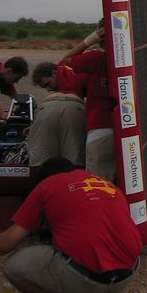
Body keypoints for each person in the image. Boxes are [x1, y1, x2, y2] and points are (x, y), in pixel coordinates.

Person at [0, 157, 142, 293]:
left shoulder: (47, 186)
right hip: (127, 274)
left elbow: (5, 245)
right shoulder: (107, 184)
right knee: (101, 242)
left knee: (13, 267)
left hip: (88, 278)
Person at [63, 25, 117, 182]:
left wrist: (89, 40)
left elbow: (66, 59)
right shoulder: (133, 59)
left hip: (100, 128)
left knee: (97, 184)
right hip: (125, 127)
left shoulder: (97, 58)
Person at [27, 60, 88, 168]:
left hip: (47, 109)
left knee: (42, 160)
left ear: (54, 73)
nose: (48, 89)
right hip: (74, 109)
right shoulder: (70, 68)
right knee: (74, 159)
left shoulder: (67, 76)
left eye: (48, 84)